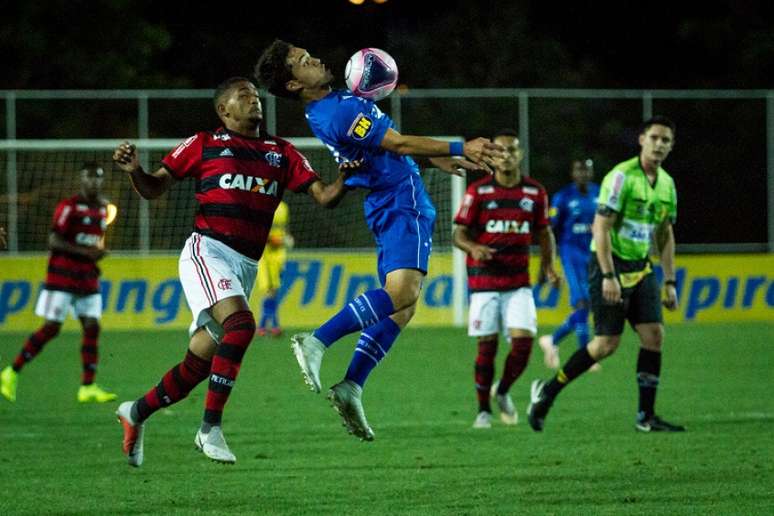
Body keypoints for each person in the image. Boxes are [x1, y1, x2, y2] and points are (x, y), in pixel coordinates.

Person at [255, 40, 503, 441]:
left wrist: (431, 157)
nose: (315, 58)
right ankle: (317, 341)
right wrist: (460, 146)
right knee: (403, 294)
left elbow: (388, 148)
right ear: (294, 84)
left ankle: (351, 385)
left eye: (309, 53)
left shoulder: (338, 102)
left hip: (392, 198)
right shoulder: (340, 111)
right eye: (302, 62)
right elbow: (398, 144)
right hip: (399, 201)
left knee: (402, 307)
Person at [112, 77, 355, 466]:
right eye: (243, 96)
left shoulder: (282, 152)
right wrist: (134, 170)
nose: (253, 100)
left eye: (256, 95)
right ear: (224, 110)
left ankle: (135, 412)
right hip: (206, 250)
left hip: (246, 265)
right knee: (242, 325)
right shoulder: (205, 144)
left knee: (198, 365)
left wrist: (347, 175)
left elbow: (324, 197)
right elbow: (154, 188)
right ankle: (210, 429)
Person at [527, 116, 685, 433]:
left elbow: (665, 233)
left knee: (654, 336)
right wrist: (609, 275)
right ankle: (548, 391)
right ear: (642, 139)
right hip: (608, 267)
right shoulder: (621, 177)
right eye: (654, 137)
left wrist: (669, 280)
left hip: (641, 269)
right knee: (605, 345)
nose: (659, 145)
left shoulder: (666, 184)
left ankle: (646, 416)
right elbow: (601, 227)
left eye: (666, 140)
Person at [453, 130, 560, 429]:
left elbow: (544, 232)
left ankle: (502, 390)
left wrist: (549, 266)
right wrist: (474, 247)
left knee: (524, 345)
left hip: (518, 283)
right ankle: (483, 411)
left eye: (512, 150)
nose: (506, 155)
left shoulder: (534, 192)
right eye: (499, 150)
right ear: (492, 155)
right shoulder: (478, 192)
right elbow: (458, 234)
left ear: (520, 155)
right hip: (484, 282)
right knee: (487, 348)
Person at [1, 164, 117, 404]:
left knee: (92, 326)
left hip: (88, 277)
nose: (94, 183)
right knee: (52, 327)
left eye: (98, 178)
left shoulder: (104, 209)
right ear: (81, 179)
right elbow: (54, 240)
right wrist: (86, 253)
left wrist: (97, 252)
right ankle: (11, 371)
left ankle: (88, 386)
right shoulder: (69, 207)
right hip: (62, 276)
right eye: (89, 178)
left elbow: (93, 240)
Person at [538, 159, 600, 370]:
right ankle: (586, 355)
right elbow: (548, 230)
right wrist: (547, 264)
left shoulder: (599, 193)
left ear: (591, 173)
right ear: (573, 173)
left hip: (592, 256)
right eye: (579, 170)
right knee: (581, 303)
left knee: (588, 305)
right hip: (570, 255)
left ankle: (552, 340)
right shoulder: (563, 197)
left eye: (587, 170)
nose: (583, 174)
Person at [256, 200, 292, 337]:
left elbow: (284, 228)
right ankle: (269, 325)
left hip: (279, 256)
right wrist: (281, 241)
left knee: (274, 292)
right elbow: (261, 234)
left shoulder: (284, 207)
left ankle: (266, 326)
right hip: (265, 255)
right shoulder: (263, 206)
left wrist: (288, 237)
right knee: (269, 291)